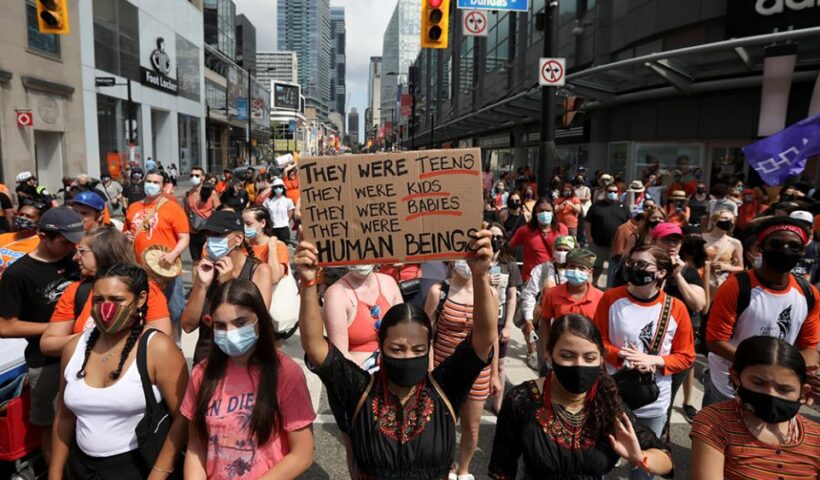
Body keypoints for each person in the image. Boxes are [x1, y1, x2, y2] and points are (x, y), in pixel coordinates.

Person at [296, 230, 498, 480]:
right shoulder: (361, 390)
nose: (408, 356)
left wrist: (480, 275)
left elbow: (484, 339)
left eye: (418, 350)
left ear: (428, 346)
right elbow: (316, 347)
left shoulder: (444, 390)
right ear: (381, 346)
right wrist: (308, 284)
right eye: (397, 349)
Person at [488, 314, 674, 479]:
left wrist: (639, 457)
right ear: (549, 353)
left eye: (589, 358)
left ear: (601, 359)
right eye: (567, 356)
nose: (579, 365)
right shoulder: (522, 399)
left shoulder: (606, 401)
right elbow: (501, 470)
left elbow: (666, 460)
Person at [49, 263, 188, 479]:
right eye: (98, 300)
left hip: (136, 467)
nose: (106, 309)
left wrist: (158, 473)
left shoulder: (158, 348)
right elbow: (65, 416)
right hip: (80, 467)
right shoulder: (73, 348)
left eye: (117, 300)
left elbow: (183, 418)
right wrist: (55, 473)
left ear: (141, 299)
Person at [182, 279, 315, 479]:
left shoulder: (286, 373)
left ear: (259, 320)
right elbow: (196, 448)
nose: (230, 333)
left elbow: (302, 454)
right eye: (221, 325)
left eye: (240, 322)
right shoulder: (202, 373)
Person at [594, 244, 695, 480]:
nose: (633, 268)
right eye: (631, 263)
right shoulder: (610, 298)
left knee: (643, 465)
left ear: (660, 272)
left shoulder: (676, 308)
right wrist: (622, 355)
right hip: (614, 393)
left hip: (654, 398)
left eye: (642, 264)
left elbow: (687, 355)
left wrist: (655, 360)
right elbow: (598, 341)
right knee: (600, 456)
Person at [704, 216, 819, 407]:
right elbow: (715, 341)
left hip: (775, 390)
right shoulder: (737, 286)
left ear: (803, 251)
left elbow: (809, 346)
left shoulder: (809, 294)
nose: (785, 250)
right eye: (776, 243)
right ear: (761, 247)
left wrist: (803, 372)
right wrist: (768, 368)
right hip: (728, 387)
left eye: (794, 245)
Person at [0, 207, 82, 461]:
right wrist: (55, 330)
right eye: (65, 242)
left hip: (83, 354)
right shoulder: (18, 274)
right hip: (46, 362)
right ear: (43, 236)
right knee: (53, 427)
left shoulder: (76, 260)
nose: (72, 247)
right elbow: (5, 326)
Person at [691, 336, 819, 480]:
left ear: (803, 392)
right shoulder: (714, 423)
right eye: (758, 383)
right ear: (735, 376)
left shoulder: (816, 437)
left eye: (784, 389)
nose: (770, 394)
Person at [41, 226, 172, 357]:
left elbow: (161, 338)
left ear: (103, 253)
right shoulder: (76, 291)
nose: (75, 258)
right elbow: (49, 344)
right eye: (98, 299)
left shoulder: (146, 289)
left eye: (82, 251)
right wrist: (92, 337)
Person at [425, 257, 500, 480]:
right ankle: (448, 466)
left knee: (472, 426)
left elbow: (492, 337)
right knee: (444, 424)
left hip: (479, 371)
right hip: (444, 369)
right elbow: (427, 333)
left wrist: (495, 374)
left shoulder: (491, 294)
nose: (466, 262)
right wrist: (429, 368)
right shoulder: (438, 292)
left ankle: (464, 469)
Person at [181, 210, 273, 364]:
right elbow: (188, 325)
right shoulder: (206, 271)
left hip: (244, 364)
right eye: (209, 235)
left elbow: (260, 323)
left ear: (237, 239)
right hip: (207, 365)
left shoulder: (258, 271)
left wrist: (228, 285)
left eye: (218, 235)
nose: (211, 241)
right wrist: (202, 285)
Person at [651, 223, 707, 427]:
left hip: (677, 347)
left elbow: (699, 304)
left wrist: (677, 276)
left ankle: (660, 438)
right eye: (666, 239)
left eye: (676, 240)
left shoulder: (689, 273)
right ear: (654, 241)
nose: (672, 244)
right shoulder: (644, 268)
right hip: (649, 342)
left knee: (667, 399)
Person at [125, 170, 189, 338]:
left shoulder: (172, 208)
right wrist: (127, 236)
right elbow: (128, 232)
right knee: (143, 310)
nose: (151, 185)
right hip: (141, 270)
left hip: (166, 270)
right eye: (149, 181)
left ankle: (174, 342)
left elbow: (184, 238)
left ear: (163, 186)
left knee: (174, 309)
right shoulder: (133, 207)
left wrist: (173, 255)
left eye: (156, 182)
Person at [323, 263, 403, 368]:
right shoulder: (336, 294)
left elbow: (404, 333)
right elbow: (341, 356)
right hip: (361, 374)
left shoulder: (389, 283)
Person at [519, 235, 577, 370]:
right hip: (545, 325)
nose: (562, 253)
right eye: (559, 249)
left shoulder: (576, 271)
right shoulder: (543, 270)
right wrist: (528, 319)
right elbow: (529, 294)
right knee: (545, 363)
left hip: (570, 325)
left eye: (566, 250)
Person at [487, 222, 522, 412]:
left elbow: (512, 297)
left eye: (498, 237)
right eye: (491, 237)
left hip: (500, 323)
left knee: (499, 365)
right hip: (480, 322)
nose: (494, 241)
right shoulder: (477, 263)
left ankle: (497, 405)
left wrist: (508, 325)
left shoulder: (509, 265)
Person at [539, 248, 603, 348]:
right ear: (566, 268)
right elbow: (545, 321)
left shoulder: (600, 298)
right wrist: (547, 349)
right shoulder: (552, 294)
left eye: (581, 268)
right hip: (560, 350)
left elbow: (603, 329)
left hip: (588, 353)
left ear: (590, 272)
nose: (575, 271)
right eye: (572, 267)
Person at [509, 197, 569, 283]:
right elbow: (509, 248)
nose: (545, 213)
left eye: (548, 210)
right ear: (535, 213)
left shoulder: (561, 229)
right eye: (541, 210)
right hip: (531, 279)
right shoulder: (524, 230)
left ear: (553, 212)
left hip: (555, 277)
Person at [585, 183, 630, 286]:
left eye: (615, 192)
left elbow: (630, 223)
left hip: (616, 246)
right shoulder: (596, 206)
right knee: (596, 267)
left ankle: (611, 288)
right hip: (598, 244)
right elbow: (588, 222)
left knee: (615, 269)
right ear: (605, 192)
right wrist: (589, 237)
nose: (612, 193)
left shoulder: (623, 207)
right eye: (610, 191)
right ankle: (594, 284)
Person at [243, 206, 290, 287]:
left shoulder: (278, 246)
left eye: (248, 224)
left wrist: (272, 248)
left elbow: (274, 278)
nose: (244, 228)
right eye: (242, 224)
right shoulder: (243, 246)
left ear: (262, 223)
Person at [0, 200, 46, 278]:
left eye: (29, 216)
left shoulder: (41, 244)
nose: (23, 218)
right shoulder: (3, 237)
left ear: (39, 221)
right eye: (21, 214)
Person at [184, 167, 220, 265]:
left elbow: (219, 212)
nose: (194, 177)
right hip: (193, 233)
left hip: (207, 232)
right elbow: (186, 214)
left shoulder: (211, 193)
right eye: (192, 175)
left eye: (197, 175)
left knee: (208, 263)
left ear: (203, 177)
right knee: (196, 263)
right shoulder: (187, 195)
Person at [703, 209, 744, 295]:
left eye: (732, 220)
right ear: (714, 220)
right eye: (725, 218)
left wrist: (725, 267)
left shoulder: (735, 243)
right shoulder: (702, 238)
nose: (729, 221)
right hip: (701, 280)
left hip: (719, 283)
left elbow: (740, 268)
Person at [263, 178, 295, 244]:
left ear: (283, 188)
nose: (278, 188)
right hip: (272, 229)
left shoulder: (288, 201)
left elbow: (290, 212)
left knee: (284, 248)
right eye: (276, 187)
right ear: (273, 188)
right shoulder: (267, 201)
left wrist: (286, 221)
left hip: (284, 228)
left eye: (280, 186)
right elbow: (264, 212)